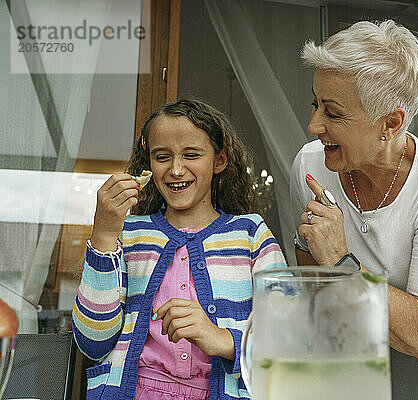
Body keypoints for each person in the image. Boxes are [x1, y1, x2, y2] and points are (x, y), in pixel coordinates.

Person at [291, 20, 418, 361]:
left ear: (391, 123)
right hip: (362, 346)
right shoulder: (310, 166)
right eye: (316, 104)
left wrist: (341, 263)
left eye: (333, 113)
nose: (313, 125)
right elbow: (314, 284)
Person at [73, 99, 286, 400]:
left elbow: (290, 341)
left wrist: (223, 340)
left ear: (219, 161)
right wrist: (105, 234)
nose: (175, 169)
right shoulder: (130, 235)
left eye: (191, 154)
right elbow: (92, 341)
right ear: (149, 164)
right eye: (162, 157)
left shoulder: (251, 235)